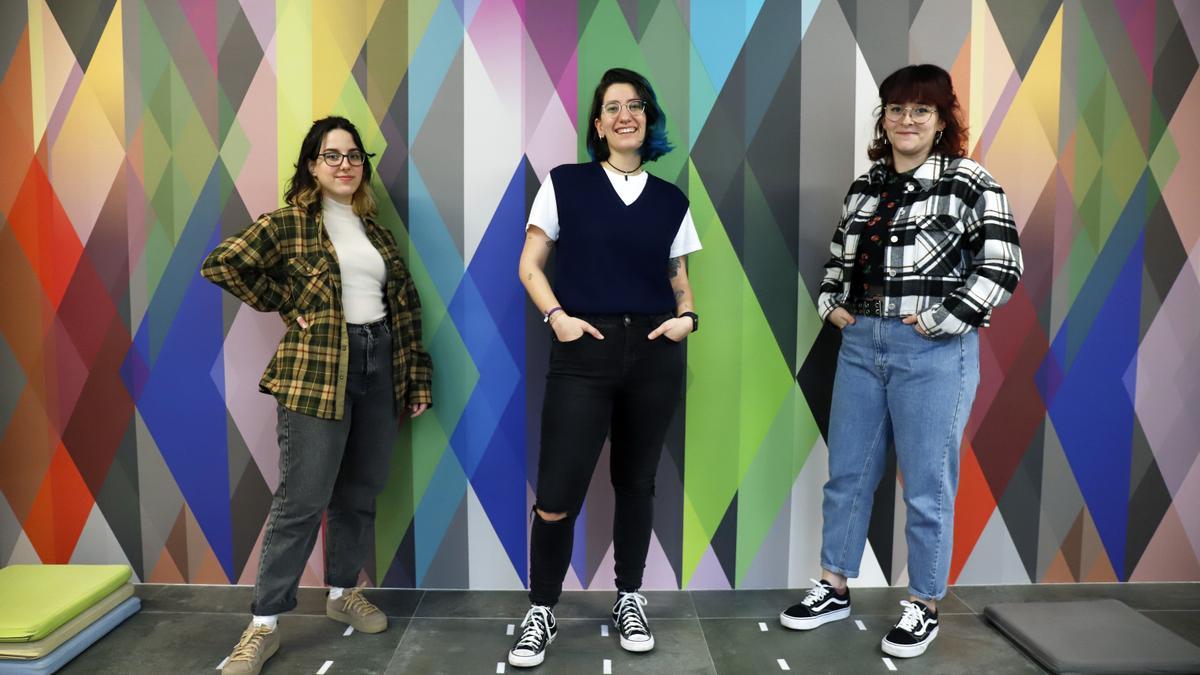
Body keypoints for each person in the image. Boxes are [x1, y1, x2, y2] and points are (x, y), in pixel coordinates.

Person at [779, 64, 1022, 659]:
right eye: (895, 110)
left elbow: (1002, 266)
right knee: (848, 476)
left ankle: (923, 604)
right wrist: (833, 307)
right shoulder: (866, 187)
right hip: (862, 346)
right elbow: (838, 264)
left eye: (921, 111)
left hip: (934, 351)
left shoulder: (970, 182)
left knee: (928, 485)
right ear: (882, 119)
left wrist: (939, 321)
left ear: (942, 122)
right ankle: (834, 586)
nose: (905, 121)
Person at [201, 116, 432, 675]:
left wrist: (416, 377)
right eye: (332, 155)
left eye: (354, 156)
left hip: (381, 364)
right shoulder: (289, 224)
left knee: (359, 491)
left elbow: (405, 306)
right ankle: (264, 625)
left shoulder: (374, 231)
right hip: (317, 369)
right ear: (312, 165)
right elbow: (222, 263)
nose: (345, 164)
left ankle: (341, 592)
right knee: (302, 500)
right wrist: (286, 301)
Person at [508, 67, 701, 668]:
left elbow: (678, 276)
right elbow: (531, 265)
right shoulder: (564, 184)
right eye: (613, 106)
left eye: (636, 105)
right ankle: (541, 610)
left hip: (653, 354)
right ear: (598, 124)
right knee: (558, 489)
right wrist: (558, 317)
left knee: (637, 484)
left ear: (649, 119)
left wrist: (688, 318)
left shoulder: (672, 199)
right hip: (582, 353)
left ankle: (629, 597)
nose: (626, 114)